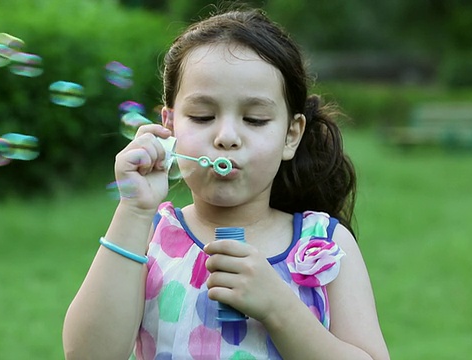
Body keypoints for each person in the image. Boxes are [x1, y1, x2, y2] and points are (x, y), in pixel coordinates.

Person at [63, 7, 389, 360]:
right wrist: (134, 208)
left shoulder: (324, 243)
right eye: (202, 116)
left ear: (290, 136)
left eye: (255, 119)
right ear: (169, 127)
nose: (226, 137)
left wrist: (279, 308)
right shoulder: (147, 237)